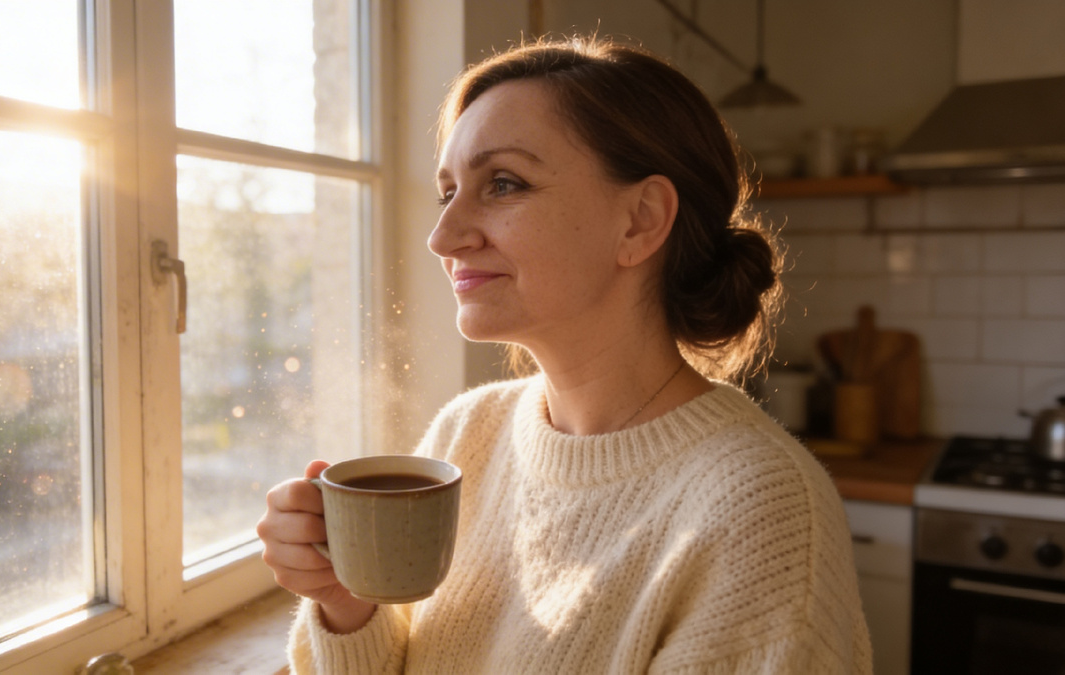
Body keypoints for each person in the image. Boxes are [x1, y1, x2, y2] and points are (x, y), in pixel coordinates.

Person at [258, 35, 872, 674]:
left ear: (640, 220)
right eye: (448, 192)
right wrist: (345, 602)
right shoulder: (470, 432)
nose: (443, 237)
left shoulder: (761, 509)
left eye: (502, 183)